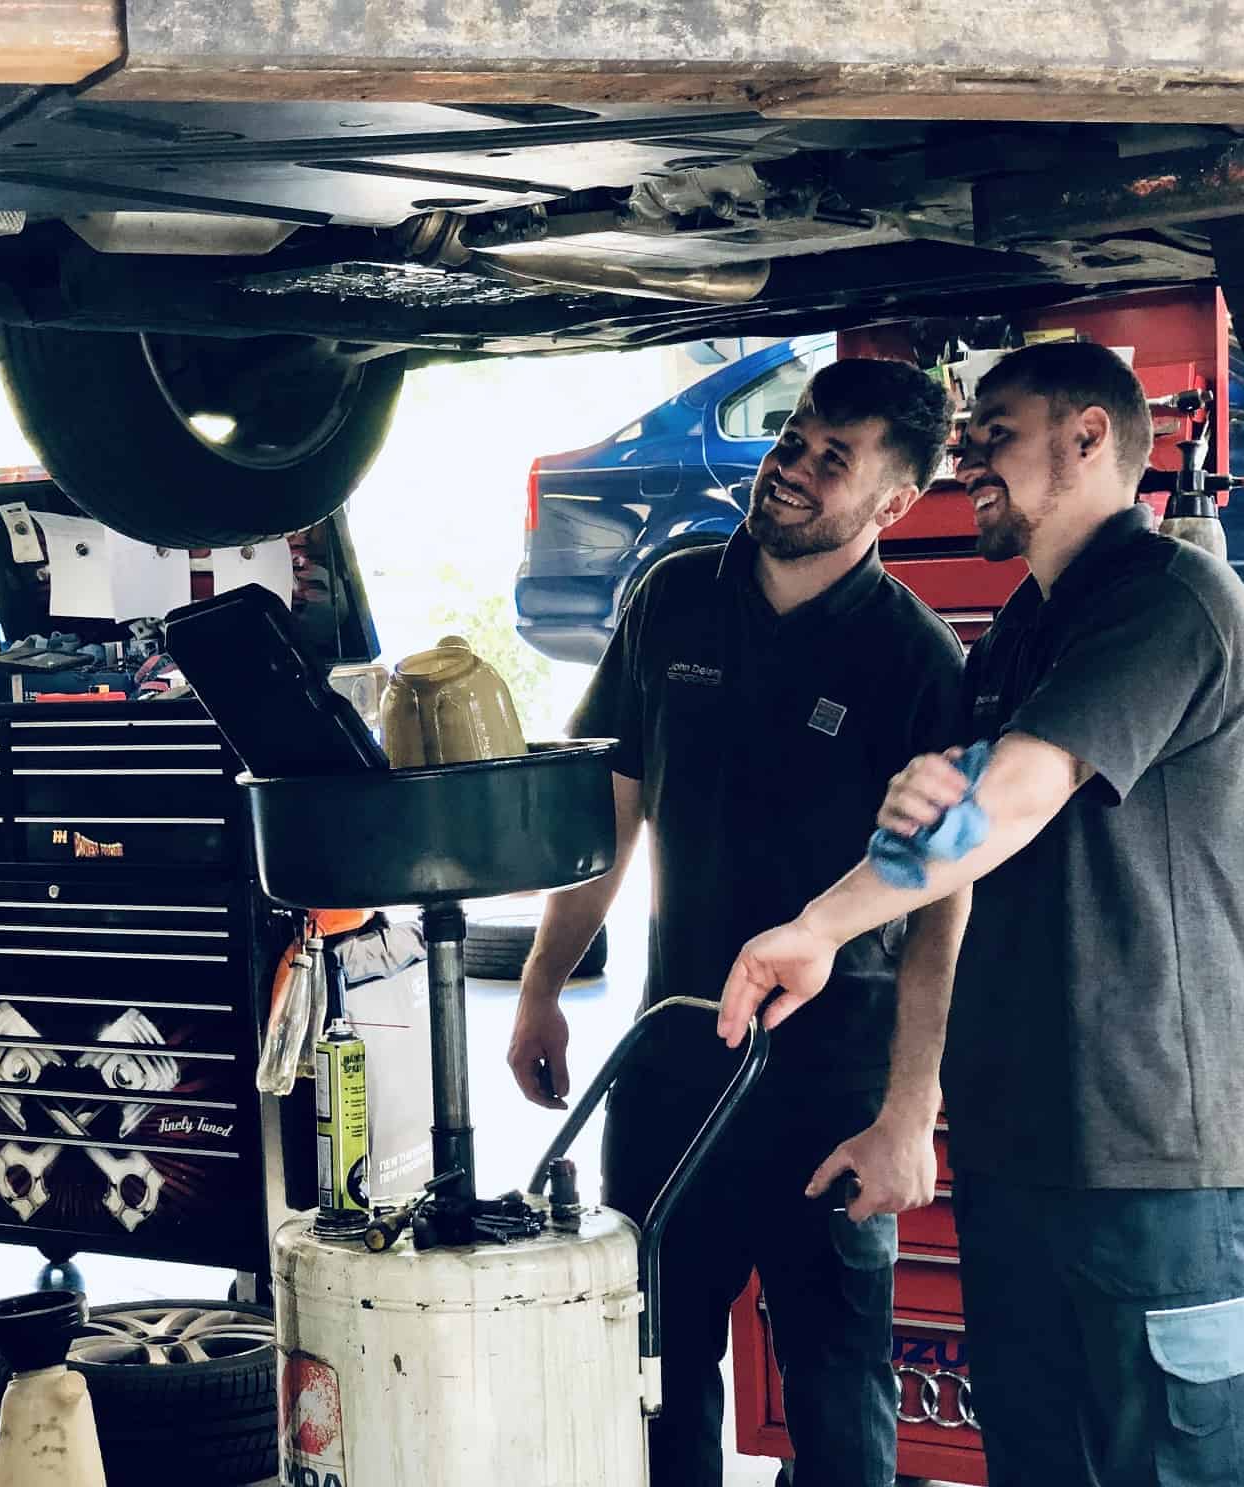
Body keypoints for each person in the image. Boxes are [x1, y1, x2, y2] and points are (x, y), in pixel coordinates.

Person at [717, 340, 1244, 1487]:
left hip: (1153, 1159)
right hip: (1018, 1152)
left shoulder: (1169, 601)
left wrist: (822, 919)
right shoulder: (1015, 632)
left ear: (1088, 435)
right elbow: (947, 862)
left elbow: (1007, 800)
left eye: (992, 432)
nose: (966, 460)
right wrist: (915, 1097)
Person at [507, 357, 968, 1487]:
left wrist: (911, 1108)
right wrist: (538, 987)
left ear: (892, 502)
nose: (792, 468)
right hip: (672, 1058)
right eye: (793, 437)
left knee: (832, 1380)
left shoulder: (915, 657)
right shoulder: (672, 594)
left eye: (831, 458)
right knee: (651, 1362)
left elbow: (941, 903)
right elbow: (609, 813)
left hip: (831, 1085)